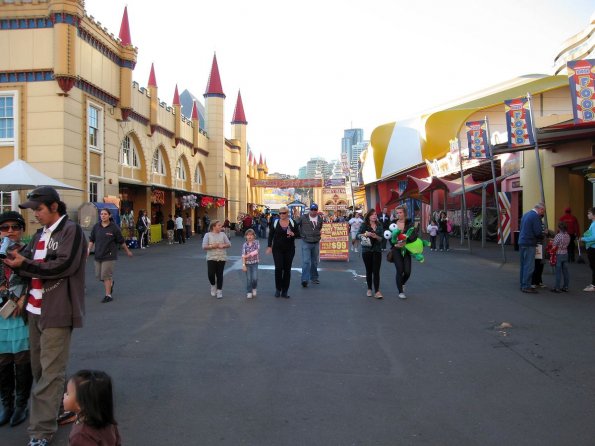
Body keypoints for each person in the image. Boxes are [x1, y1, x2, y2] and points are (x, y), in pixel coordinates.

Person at [3, 186, 87, 446]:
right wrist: (12, 257)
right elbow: (26, 263)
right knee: (41, 370)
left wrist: (24, 264)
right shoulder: (39, 234)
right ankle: (61, 408)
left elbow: (64, 265)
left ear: (54, 207)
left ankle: (40, 433)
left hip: (57, 311)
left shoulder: (70, 231)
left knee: (50, 373)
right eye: (32, 210)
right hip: (33, 310)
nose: (35, 215)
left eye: (38, 209)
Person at [0, 211, 32, 427]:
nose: (10, 231)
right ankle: (7, 405)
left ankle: (21, 405)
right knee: (3, 362)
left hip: (22, 312)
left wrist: (23, 298)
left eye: (15, 227)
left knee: (22, 361)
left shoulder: (29, 251)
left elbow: (36, 277)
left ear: (22, 229)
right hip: (1, 314)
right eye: (5, 227)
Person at [63, 370, 121, 446]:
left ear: (81, 404)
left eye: (67, 393)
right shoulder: (108, 422)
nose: (64, 395)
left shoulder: (81, 436)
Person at [87, 209, 133, 303]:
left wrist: (127, 251)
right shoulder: (97, 226)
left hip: (109, 255)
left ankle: (108, 295)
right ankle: (111, 283)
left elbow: (121, 241)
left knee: (106, 276)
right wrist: (88, 250)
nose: (103, 216)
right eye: (101, 214)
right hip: (98, 254)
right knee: (99, 276)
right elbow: (92, 239)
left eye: (105, 214)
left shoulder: (114, 228)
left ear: (109, 216)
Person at [266, 205, 300, 298]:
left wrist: (293, 234)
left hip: (289, 249)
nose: (281, 215)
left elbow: (298, 234)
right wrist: (269, 246)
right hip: (277, 249)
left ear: (287, 213)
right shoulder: (275, 222)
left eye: (283, 213)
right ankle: (278, 289)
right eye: (280, 213)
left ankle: (285, 291)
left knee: (287, 270)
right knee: (278, 268)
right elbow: (271, 235)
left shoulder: (292, 222)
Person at [518, 203, 546, 293]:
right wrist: (544, 234)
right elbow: (538, 232)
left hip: (522, 241)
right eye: (543, 211)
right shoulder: (535, 217)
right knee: (529, 266)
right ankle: (526, 286)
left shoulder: (526, 214)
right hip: (530, 243)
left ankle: (523, 284)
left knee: (523, 265)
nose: (543, 213)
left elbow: (522, 228)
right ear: (540, 209)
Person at [357, 209, 384, 299]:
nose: (374, 216)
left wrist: (375, 236)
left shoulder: (379, 225)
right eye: (372, 215)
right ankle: (369, 289)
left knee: (376, 271)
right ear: (368, 216)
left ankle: (377, 291)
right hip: (366, 251)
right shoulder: (364, 225)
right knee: (369, 270)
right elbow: (358, 235)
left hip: (377, 251)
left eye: (375, 214)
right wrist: (365, 234)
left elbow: (382, 239)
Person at [202, 220, 231, 299]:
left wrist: (223, 245)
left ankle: (219, 291)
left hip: (221, 257)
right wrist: (212, 246)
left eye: (221, 225)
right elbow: (204, 246)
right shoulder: (207, 235)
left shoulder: (223, 234)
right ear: (213, 226)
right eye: (219, 225)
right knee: (211, 274)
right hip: (211, 257)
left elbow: (229, 244)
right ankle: (213, 285)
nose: (221, 227)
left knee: (219, 274)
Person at [298, 203, 323, 288]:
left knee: (314, 262)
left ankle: (314, 277)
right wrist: (301, 234)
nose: (313, 211)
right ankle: (304, 279)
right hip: (306, 242)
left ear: (317, 210)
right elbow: (296, 225)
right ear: (309, 210)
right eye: (312, 209)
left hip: (315, 242)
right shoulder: (303, 217)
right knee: (306, 261)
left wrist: (318, 236)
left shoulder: (320, 219)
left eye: (315, 209)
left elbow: (319, 228)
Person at [551, 221, 570, 293]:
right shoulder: (568, 235)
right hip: (565, 253)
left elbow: (554, 245)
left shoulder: (558, 235)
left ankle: (557, 287)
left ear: (559, 228)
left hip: (559, 254)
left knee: (558, 271)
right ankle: (566, 286)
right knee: (565, 271)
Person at [241, 229, 260, 299]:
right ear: (245, 236)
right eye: (248, 235)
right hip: (247, 264)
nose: (250, 236)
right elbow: (243, 256)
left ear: (254, 236)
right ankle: (249, 291)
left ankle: (254, 288)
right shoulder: (244, 245)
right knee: (249, 279)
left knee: (254, 278)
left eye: (251, 235)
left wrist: (247, 255)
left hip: (255, 263)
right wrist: (243, 265)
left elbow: (257, 251)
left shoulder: (256, 242)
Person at [580, 207, 595, 292]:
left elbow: (594, 237)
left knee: (594, 266)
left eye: (589, 213)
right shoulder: (593, 223)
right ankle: (593, 283)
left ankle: (594, 285)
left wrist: (583, 239)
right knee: (593, 266)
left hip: (593, 248)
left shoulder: (594, 224)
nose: (587, 215)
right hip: (591, 247)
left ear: (594, 215)